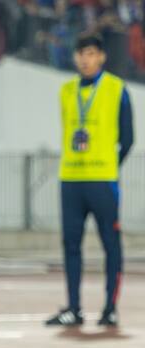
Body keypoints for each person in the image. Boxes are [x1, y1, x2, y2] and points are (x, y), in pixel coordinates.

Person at [45, 33, 133, 327]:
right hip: (71, 178)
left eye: (92, 53)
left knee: (111, 244)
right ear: (75, 57)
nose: (86, 59)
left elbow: (128, 138)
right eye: (82, 53)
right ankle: (73, 308)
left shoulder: (117, 89)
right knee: (71, 245)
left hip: (103, 180)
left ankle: (110, 308)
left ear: (102, 56)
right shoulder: (66, 90)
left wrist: (111, 165)